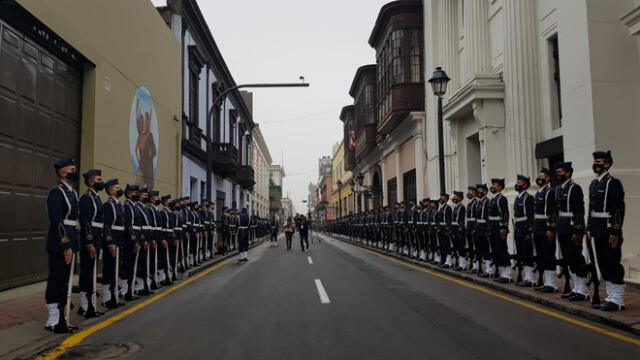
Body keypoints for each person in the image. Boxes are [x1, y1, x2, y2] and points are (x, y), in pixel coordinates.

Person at [44, 159, 80, 333]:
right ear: (63, 173)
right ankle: (52, 319)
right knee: (56, 279)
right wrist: (65, 245)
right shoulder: (57, 193)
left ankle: (62, 317)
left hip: (71, 239)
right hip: (60, 242)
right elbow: (57, 221)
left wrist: (74, 243)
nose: (76, 172)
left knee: (65, 281)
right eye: (72, 169)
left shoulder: (72, 192)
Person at [588, 151, 626, 311]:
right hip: (597, 229)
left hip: (609, 229)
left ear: (607, 164)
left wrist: (615, 231)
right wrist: (589, 227)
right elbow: (590, 208)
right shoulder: (594, 184)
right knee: (603, 263)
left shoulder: (613, 183)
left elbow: (618, 209)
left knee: (612, 262)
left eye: (599, 161)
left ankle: (618, 300)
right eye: (595, 161)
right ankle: (611, 297)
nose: (596, 164)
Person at [552, 162, 589, 301]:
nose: (558, 174)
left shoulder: (575, 188)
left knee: (576, 257)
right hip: (562, 227)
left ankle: (583, 290)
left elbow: (579, 211)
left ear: (568, 173)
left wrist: (578, 230)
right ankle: (576, 288)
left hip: (572, 227)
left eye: (560, 172)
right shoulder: (558, 189)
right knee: (568, 259)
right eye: (557, 172)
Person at [78, 169, 104, 318]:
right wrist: (89, 243)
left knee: (92, 272)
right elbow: (86, 222)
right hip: (90, 239)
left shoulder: (96, 197)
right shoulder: (87, 198)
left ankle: (90, 305)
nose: (102, 182)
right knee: (87, 273)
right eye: (99, 179)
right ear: (92, 181)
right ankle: (85, 305)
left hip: (97, 238)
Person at [533, 168, 558, 293]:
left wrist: (551, 227)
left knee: (548, 255)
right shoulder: (538, 193)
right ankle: (546, 282)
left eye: (542, 175)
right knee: (541, 255)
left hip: (546, 228)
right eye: (539, 175)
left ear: (548, 178)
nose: (539, 177)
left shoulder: (550, 192)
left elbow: (552, 212)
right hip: (538, 228)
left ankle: (552, 284)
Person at [102, 179, 124, 309]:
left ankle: (113, 296)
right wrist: (110, 243)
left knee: (116, 269)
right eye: (117, 188)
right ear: (110, 190)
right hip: (112, 242)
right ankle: (106, 298)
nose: (119, 189)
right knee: (109, 269)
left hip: (119, 240)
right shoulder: (108, 205)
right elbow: (107, 226)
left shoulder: (119, 204)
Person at [513, 175, 535, 287]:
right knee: (521, 254)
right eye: (517, 182)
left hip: (525, 229)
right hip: (518, 229)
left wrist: (529, 232)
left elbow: (530, 216)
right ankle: (526, 277)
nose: (517, 184)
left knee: (527, 254)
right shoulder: (518, 198)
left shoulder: (527, 197)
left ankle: (530, 278)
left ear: (526, 185)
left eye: (520, 182)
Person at [487, 178, 511, 282]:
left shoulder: (501, 198)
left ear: (500, 187)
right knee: (496, 251)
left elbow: (504, 214)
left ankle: (507, 275)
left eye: (495, 185)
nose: (493, 186)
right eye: (492, 184)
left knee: (502, 250)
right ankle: (502, 273)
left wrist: (503, 227)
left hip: (498, 227)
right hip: (493, 227)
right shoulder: (493, 199)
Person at [451, 192, 466, 270]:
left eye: (456, 196)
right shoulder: (456, 207)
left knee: (461, 247)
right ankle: (460, 263)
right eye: (454, 196)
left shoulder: (462, 207)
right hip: (454, 230)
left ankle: (463, 265)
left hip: (459, 230)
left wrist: (460, 229)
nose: (454, 198)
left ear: (460, 198)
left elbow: (462, 220)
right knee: (456, 247)